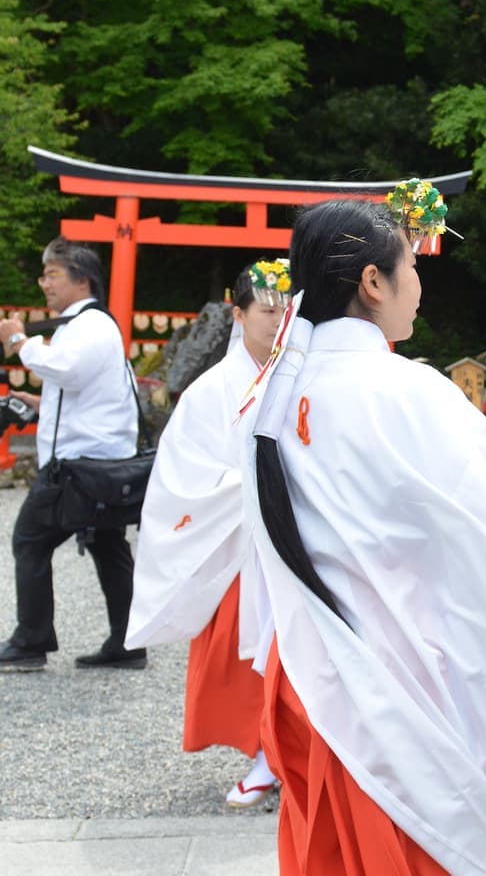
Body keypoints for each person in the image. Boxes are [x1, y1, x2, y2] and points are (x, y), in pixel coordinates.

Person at [240, 199, 486, 874]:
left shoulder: (267, 399)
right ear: (372, 282)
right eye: (412, 266)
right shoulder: (410, 392)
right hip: (403, 678)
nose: (418, 284)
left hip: (310, 668)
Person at [126, 262, 292, 808]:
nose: (277, 319)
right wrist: (254, 485)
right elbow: (184, 475)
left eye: (286, 308)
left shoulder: (306, 374)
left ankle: (296, 757)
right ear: (238, 314)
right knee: (245, 657)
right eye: (266, 309)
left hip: (299, 541)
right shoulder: (210, 390)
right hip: (240, 547)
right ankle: (266, 756)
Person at [0, 239, 144, 672]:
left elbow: (66, 370)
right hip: (101, 464)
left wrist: (19, 340)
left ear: (82, 279)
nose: (44, 283)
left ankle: (31, 641)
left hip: (78, 468)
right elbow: (88, 392)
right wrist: (43, 404)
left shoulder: (90, 325)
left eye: (52, 274)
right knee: (108, 546)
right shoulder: (90, 326)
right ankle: (129, 642)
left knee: (29, 539)